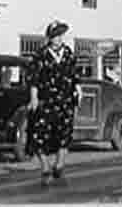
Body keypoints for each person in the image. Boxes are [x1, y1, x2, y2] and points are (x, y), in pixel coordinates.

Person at [26, 20, 82, 185]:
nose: (58, 38)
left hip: (65, 100)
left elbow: (74, 75)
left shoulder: (68, 53)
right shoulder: (41, 55)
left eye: (60, 35)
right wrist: (34, 98)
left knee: (65, 133)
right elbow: (34, 79)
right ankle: (45, 167)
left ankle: (59, 165)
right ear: (49, 37)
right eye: (55, 35)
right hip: (46, 101)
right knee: (39, 134)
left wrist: (78, 89)